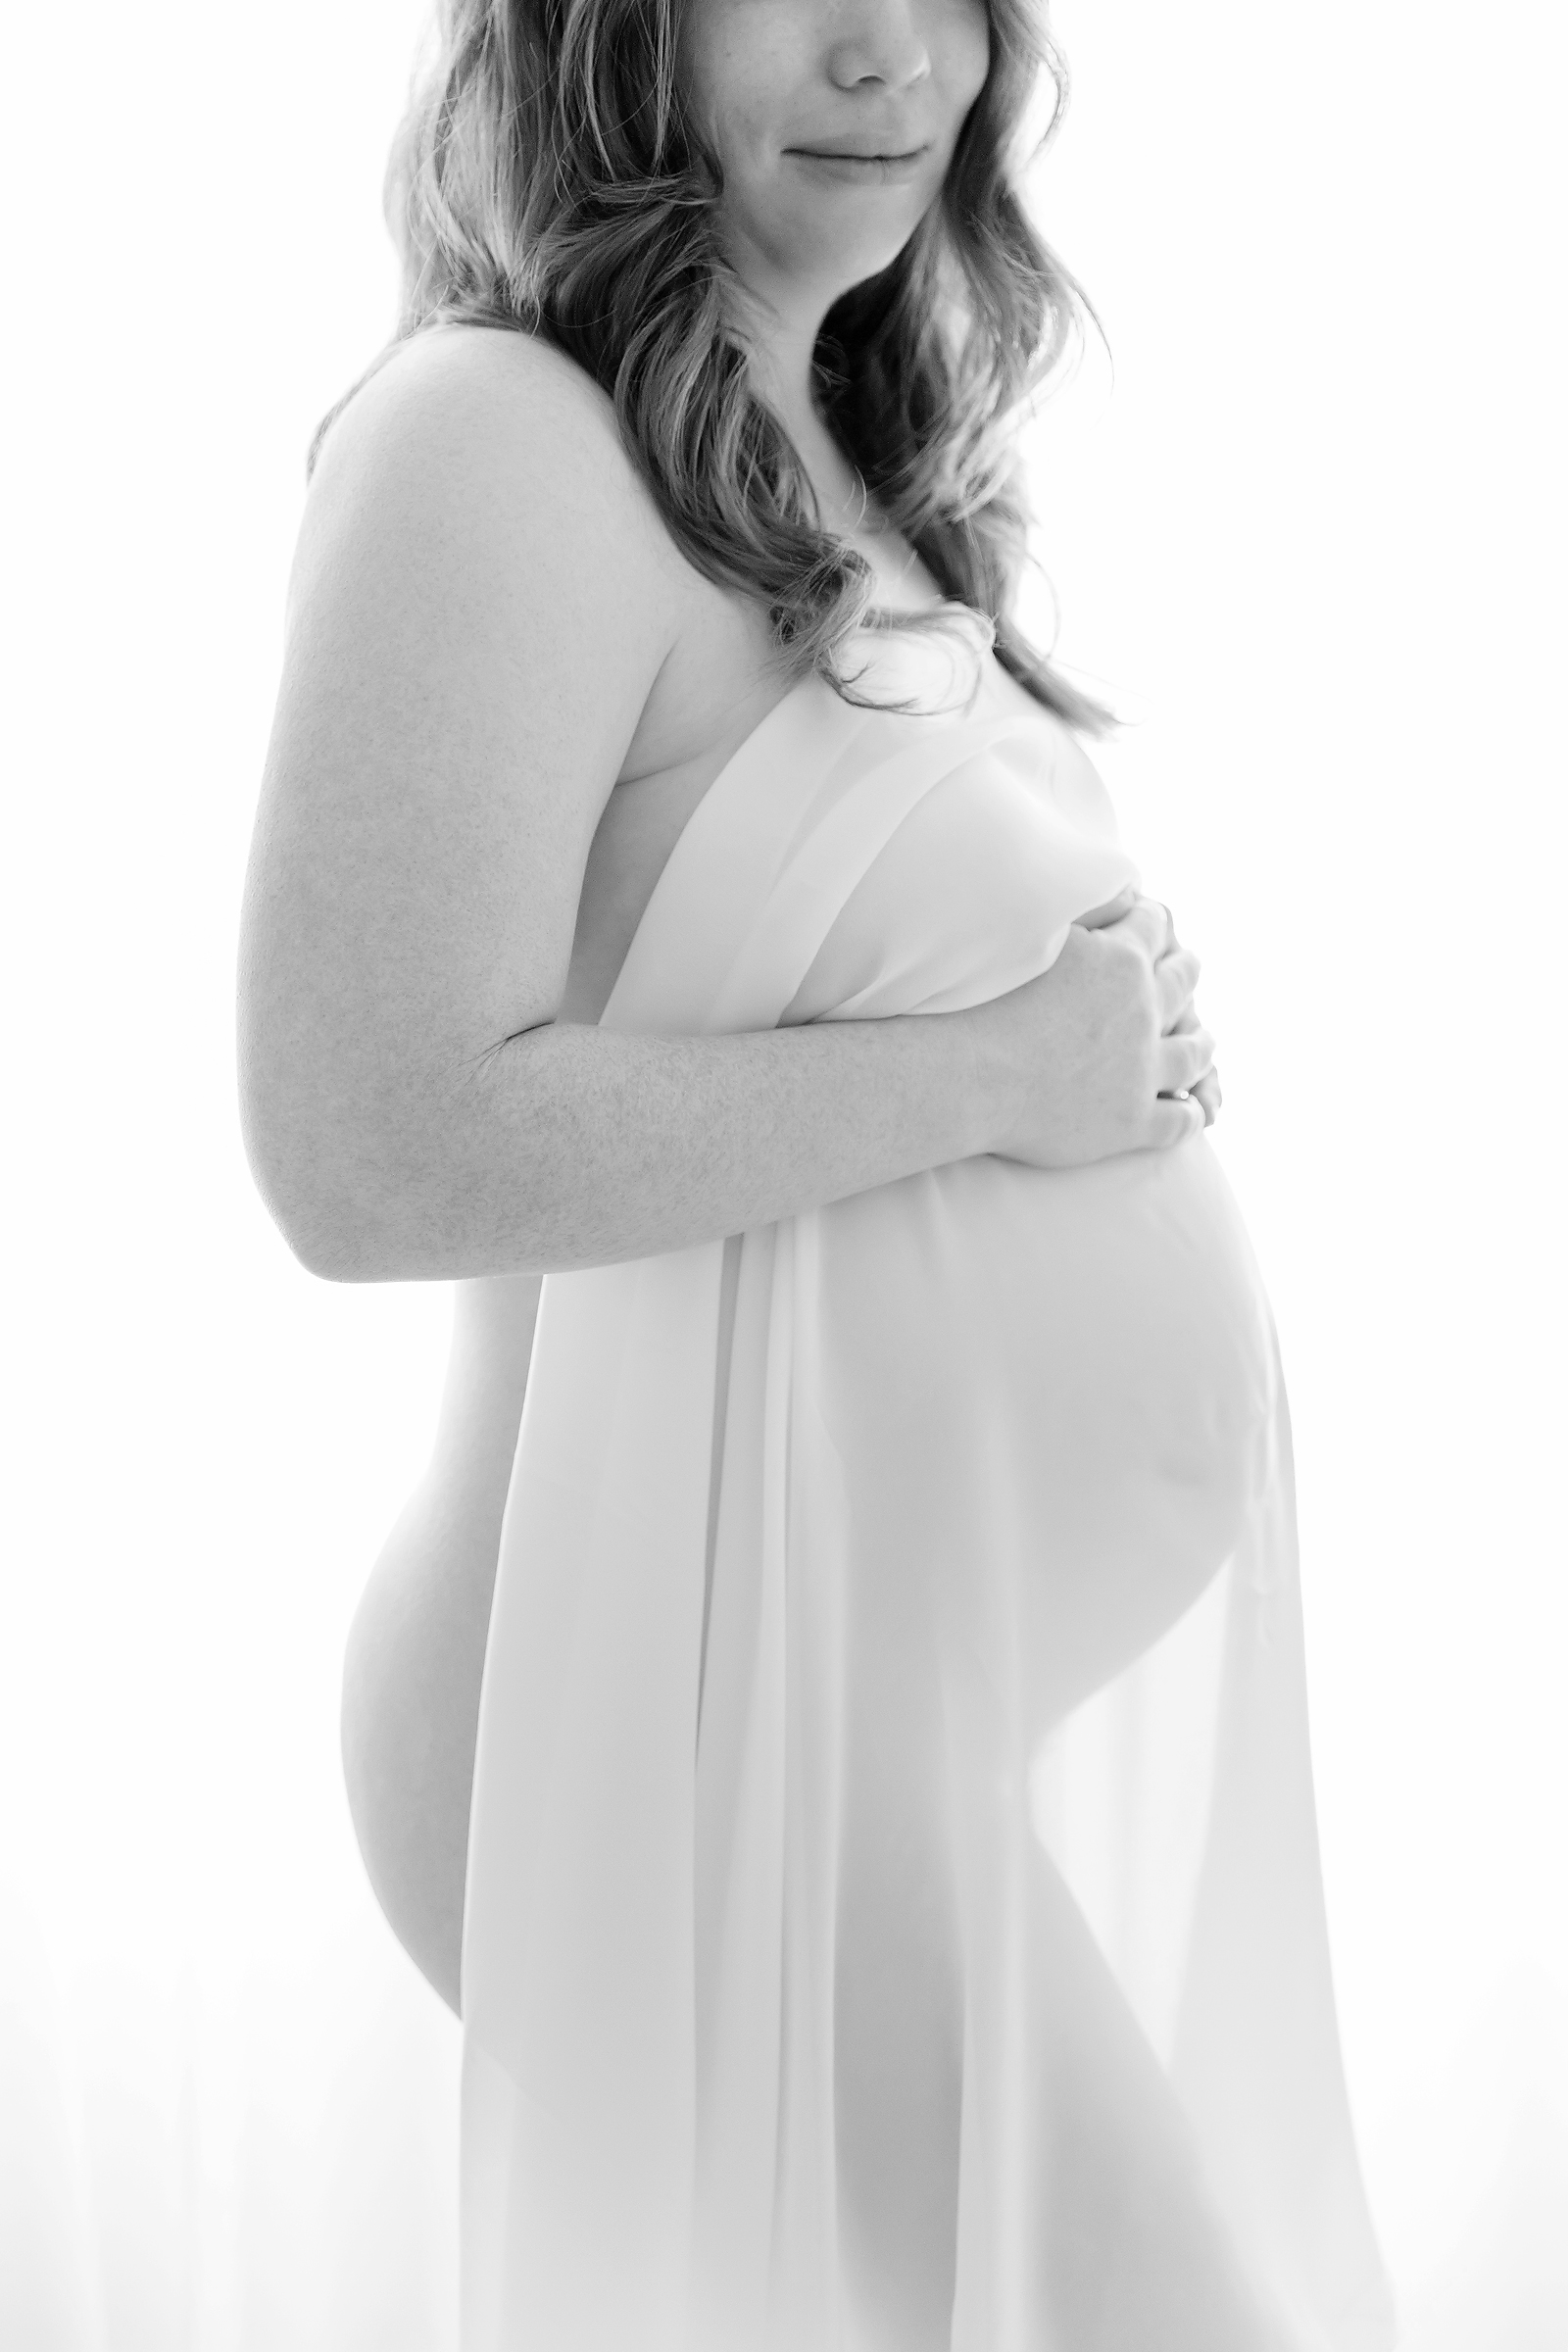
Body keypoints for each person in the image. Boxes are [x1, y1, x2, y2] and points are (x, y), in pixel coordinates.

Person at [236, 0, 1396, 2343]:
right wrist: (998, 1074)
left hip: (831, 1703)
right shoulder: (493, 437)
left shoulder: (826, 450)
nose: (892, 57)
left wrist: (1091, 1050)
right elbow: (369, 1147)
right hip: (653, 1692)